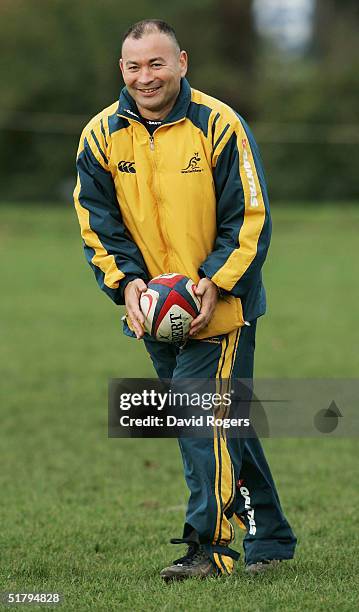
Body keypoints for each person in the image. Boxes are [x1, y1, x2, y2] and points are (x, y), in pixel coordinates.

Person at [73, 19, 296, 580]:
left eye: (157, 63)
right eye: (134, 65)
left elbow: (249, 220)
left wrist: (214, 285)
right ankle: (269, 536)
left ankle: (210, 550)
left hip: (222, 309)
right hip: (153, 315)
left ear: (183, 63)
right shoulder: (100, 136)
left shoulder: (220, 126)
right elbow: (97, 225)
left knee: (204, 422)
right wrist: (128, 286)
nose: (145, 77)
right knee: (222, 425)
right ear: (120, 69)